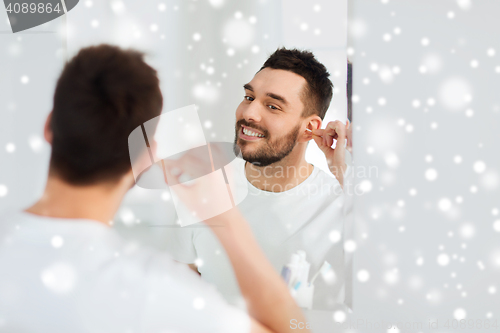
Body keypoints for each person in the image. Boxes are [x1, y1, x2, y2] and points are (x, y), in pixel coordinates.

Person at [0, 44, 309, 333]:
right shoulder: (152, 290)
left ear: (49, 126)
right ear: (147, 156)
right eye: (250, 97)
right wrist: (227, 220)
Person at [164, 47, 352, 310]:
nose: (249, 113)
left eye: (272, 106)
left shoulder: (341, 206)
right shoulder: (202, 189)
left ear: (309, 128)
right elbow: (178, 293)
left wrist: (346, 173)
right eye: (249, 96)